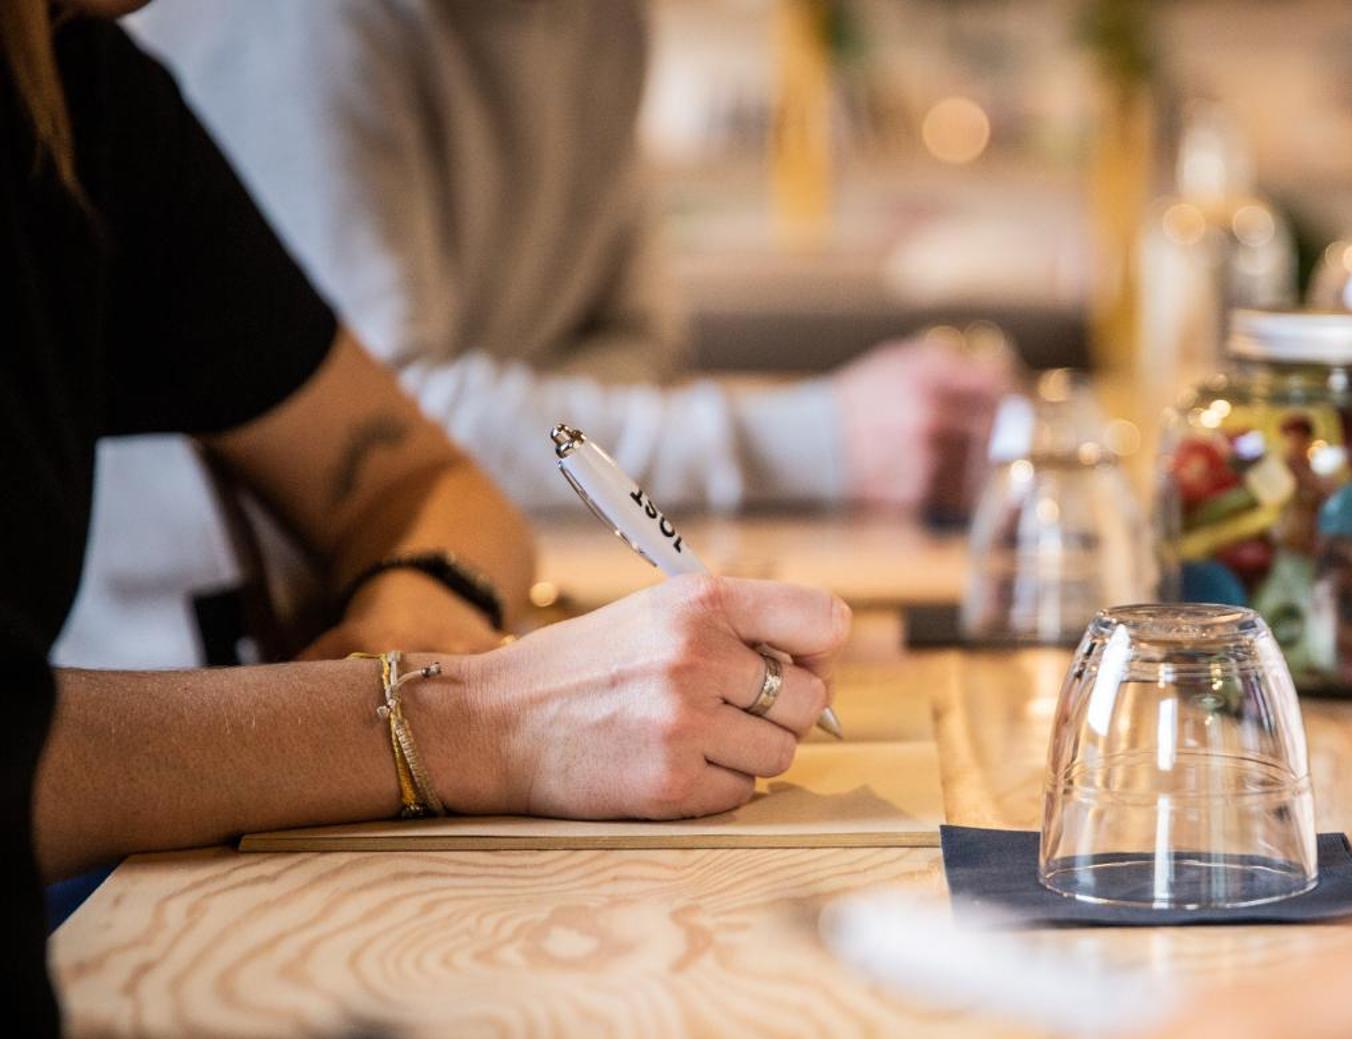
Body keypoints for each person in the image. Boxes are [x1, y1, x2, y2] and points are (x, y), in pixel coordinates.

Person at [0, 7, 1352, 1039]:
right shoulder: (293, 36)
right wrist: (452, 723)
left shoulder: (81, 87)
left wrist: (416, 666)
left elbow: (427, 473)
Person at [54, 0, 1010, 670]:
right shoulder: (306, 27)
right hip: (214, 661)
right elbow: (423, 407)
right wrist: (816, 441)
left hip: (468, 610)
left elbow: (636, 352)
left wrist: (505, 413)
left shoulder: (602, 20)